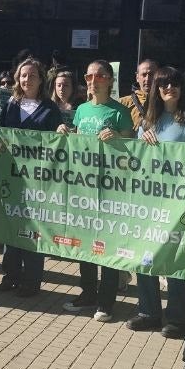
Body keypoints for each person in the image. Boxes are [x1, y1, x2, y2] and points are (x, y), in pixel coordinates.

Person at [129, 67, 185, 336]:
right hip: (150, 202)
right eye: (163, 84)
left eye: (174, 83)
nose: (169, 88)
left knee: (176, 256)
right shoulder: (147, 123)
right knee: (146, 254)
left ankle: (176, 317)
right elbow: (138, 164)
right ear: (156, 90)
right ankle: (148, 312)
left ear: (182, 88)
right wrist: (144, 143)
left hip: (180, 204)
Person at [59, 61, 134, 321]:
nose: (93, 80)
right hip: (84, 188)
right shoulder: (80, 109)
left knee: (108, 245)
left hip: (111, 189)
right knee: (85, 244)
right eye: (89, 75)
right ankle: (88, 293)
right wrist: (66, 133)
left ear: (110, 80)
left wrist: (118, 139)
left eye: (100, 75)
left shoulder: (121, 112)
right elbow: (78, 144)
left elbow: (132, 154)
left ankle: (106, 302)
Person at [0, 58, 62, 297]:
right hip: (13, 179)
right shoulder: (11, 104)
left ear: (41, 79)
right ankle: (10, 275)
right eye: (23, 75)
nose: (27, 80)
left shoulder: (50, 109)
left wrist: (61, 132)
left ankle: (31, 281)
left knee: (34, 230)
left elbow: (59, 143)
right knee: (12, 225)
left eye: (32, 75)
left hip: (39, 182)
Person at [120, 58, 158, 130]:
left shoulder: (164, 103)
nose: (147, 79)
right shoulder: (123, 103)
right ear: (137, 77)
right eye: (144, 75)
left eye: (151, 74)